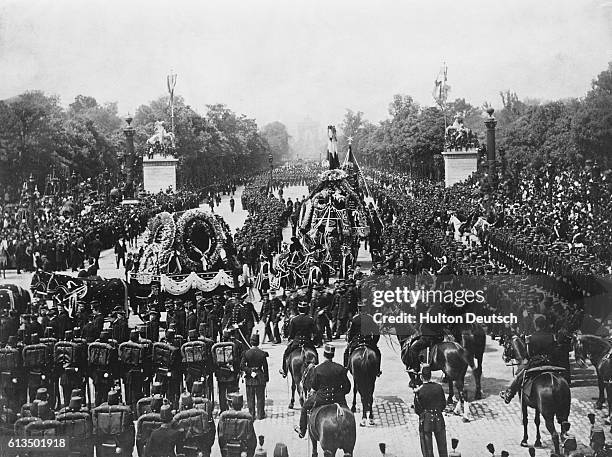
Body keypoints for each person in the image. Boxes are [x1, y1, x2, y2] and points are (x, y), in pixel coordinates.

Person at [296, 344, 350, 438]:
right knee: (349, 415)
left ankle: (302, 431)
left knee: (305, 407)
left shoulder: (317, 369)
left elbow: (314, 386)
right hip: (338, 398)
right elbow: (347, 387)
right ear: (333, 355)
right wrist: (340, 393)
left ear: (324, 355)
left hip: (321, 398)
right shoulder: (340, 368)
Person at [500, 315, 558, 403]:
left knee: (519, 375)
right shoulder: (551, 336)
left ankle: (509, 394)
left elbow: (528, 354)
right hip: (551, 362)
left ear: (535, 325)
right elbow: (554, 351)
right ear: (545, 325)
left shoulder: (531, 338)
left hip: (536, 363)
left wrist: (525, 361)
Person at [407, 303, 446, 388]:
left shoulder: (432, 309)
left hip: (429, 337)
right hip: (439, 336)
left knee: (413, 348)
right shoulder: (441, 308)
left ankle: (416, 368)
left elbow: (427, 322)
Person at [414, 364, 448, 457]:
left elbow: (417, 410)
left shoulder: (419, 391)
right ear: (430, 375)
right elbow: (443, 405)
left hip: (426, 421)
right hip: (439, 419)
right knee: (443, 449)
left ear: (421, 377)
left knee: (427, 451)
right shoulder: (439, 387)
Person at [343, 300, 382, 376]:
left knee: (346, 352)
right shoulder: (370, 318)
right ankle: (377, 370)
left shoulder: (355, 319)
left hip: (356, 341)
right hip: (368, 341)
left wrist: (350, 341)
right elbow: (376, 334)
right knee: (378, 353)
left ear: (358, 309)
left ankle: (346, 368)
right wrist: (374, 343)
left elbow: (350, 333)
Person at [279, 302, 316, 378]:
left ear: (298, 310)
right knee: (315, 353)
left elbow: (291, 333)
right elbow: (315, 332)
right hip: (307, 342)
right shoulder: (310, 320)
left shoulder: (294, 320)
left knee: (286, 354)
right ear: (307, 310)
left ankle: (284, 370)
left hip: (296, 342)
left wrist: (290, 339)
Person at [217, 392, 257, 457]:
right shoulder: (247, 417)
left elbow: (221, 437)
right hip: (243, 450)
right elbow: (252, 440)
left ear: (229, 404)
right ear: (242, 404)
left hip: (228, 450)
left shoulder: (223, 416)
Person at [240, 333, 269, 420]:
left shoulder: (246, 353)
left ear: (251, 342)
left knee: (250, 397)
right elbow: (265, 367)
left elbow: (242, 366)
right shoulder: (262, 353)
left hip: (249, 377)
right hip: (260, 376)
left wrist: (249, 371)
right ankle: (260, 414)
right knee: (260, 397)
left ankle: (251, 414)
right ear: (258, 342)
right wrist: (266, 378)